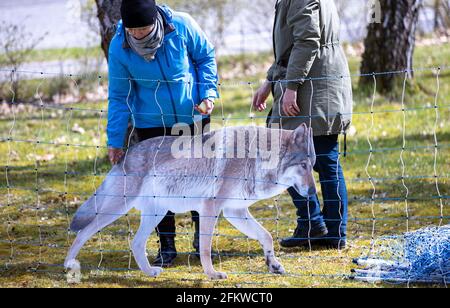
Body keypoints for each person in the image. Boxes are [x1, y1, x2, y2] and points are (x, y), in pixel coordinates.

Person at [107, 0, 218, 266]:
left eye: (143, 28)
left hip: (193, 116)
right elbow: (118, 97)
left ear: (155, 21)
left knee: (201, 181)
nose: (137, 35)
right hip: (151, 125)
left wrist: (208, 94)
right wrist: (115, 140)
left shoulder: (181, 25)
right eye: (132, 30)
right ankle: (166, 246)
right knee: (159, 187)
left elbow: (205, 58)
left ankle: (202, 241)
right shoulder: (119, 46)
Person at [253, 0, 353, 249]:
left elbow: (308, 41)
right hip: (316, 83)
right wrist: (270, 80)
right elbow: (291, 47)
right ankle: (320, 227)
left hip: (313, 88)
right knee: (307, 158)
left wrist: (291, 86)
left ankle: (322, 227)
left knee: (303, 157)